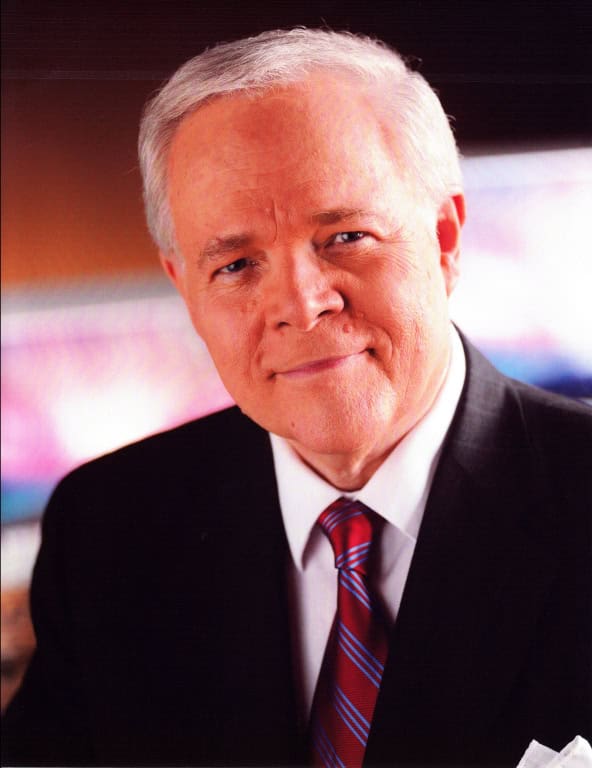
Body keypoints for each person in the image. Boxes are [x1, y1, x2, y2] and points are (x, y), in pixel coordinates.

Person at [2, 28, 591, 768]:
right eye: (236, 264)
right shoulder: (107, 529)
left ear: (444, 238)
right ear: (185, 288)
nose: (300, 305)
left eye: (345, 236)